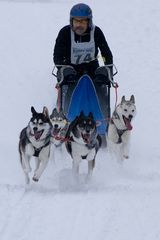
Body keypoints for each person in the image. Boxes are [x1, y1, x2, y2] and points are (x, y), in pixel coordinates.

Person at [53, 3, 113, 117]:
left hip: (91, 67)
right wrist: (64, 69)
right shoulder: (65, 33)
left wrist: (108, 70)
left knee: (100, 88)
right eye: (76, 21)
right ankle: (64, 116)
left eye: (82, 22)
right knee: (68, 89)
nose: (78, 25)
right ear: (71, 21)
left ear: (89, 22)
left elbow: (106, 54)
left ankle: (103, 118)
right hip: (70, 68)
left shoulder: (96, 32)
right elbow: (58, 56)